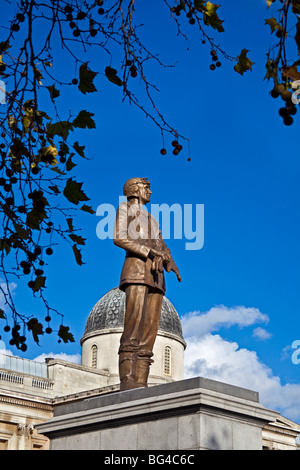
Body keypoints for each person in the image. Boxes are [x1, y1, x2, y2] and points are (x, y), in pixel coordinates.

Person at [113, 177, 181, 391]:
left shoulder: (152, 219)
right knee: (133, 324)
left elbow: (161, 244)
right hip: (136, 271)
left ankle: (141, 380)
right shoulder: (125, 209)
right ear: (134, 190)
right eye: (147, 188)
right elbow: (119, 238)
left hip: (157, 276)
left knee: (150, 329)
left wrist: (171, 261)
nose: (150, 192)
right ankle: (128, 379)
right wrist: (149, 252)